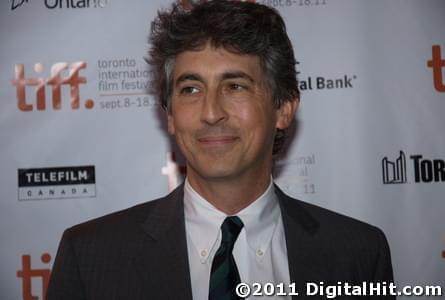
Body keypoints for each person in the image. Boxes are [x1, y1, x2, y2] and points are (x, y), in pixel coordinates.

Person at [46, 1, 395, 299]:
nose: (211, 113)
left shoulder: (358, 254)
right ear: (169, 115)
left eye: (235, 86)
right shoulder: (90, 257)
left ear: (284, 108)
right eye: (191, 90)